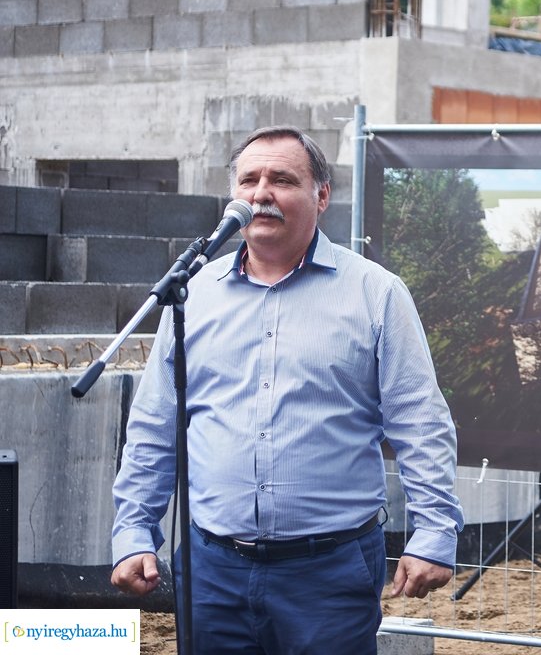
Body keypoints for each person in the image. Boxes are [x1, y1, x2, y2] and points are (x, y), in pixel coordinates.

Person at [110, 126, 463, 653]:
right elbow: (156, 424)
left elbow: (420, 422)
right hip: (211, 572)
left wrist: (435, 532)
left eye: (282, 179)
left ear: (321, 195)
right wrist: (134, 529)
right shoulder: (193, 295)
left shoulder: (375, 294)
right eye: (249, 180)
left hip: (329, 576)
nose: (260, 193)